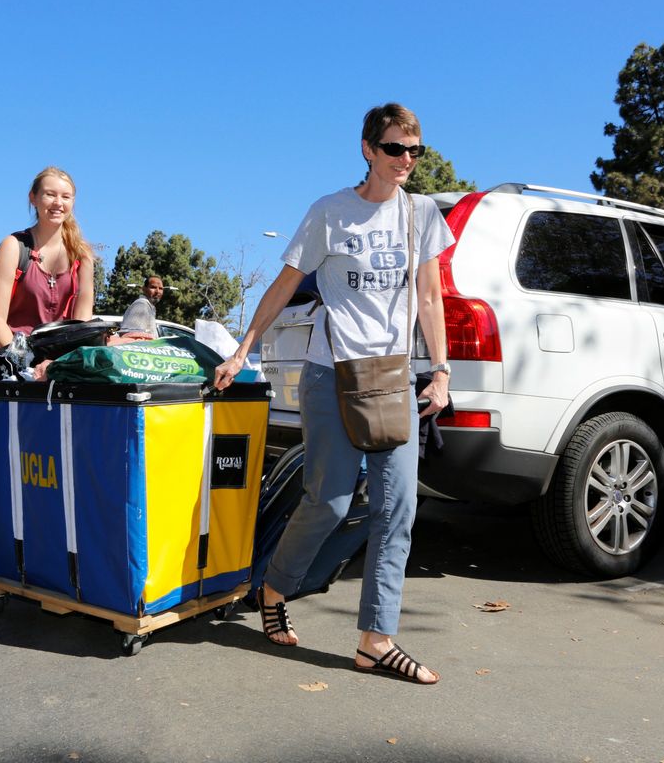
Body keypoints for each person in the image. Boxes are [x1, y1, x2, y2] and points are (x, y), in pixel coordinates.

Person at [214, 103, 452, 685]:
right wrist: (243, 349)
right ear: (368, 149)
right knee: (330, 502)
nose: (405, 160)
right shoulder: (331, 211)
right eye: (394, 148)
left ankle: (376, 640)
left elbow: (429, 297)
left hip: (391, 378)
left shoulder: (421, 213)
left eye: (414, 150)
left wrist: (441, 370)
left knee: (398, 507)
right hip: (330, 373)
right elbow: (285, 284)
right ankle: (274, 588)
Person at [0, 167, 95, 378]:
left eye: (66, 197)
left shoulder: (82, 255)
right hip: (13, 362)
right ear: (33, 198)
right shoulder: (13, 246)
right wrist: (26, 365)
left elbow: (82, 324)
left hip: (59, 365)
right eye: (50, 194)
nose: (58, 203)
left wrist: (61, 365)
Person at [117, 275, 163, 341]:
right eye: (153, 287)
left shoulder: (149, 307)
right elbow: (130, 336)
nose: (157, 291)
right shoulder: (142, 305)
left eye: (161, 288)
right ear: (144, 289)